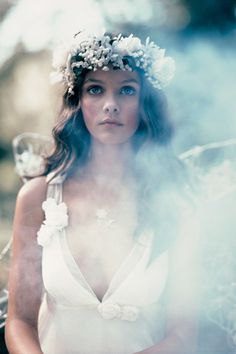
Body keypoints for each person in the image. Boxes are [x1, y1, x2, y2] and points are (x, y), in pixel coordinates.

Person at [5, 30, 200, 354]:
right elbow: (19, 322)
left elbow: (182, 333)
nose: (111, 105)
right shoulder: (37, 198)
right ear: (78, 101)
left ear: (145, 103)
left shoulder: (175, 204)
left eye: (127, 90)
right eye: (95, 89)